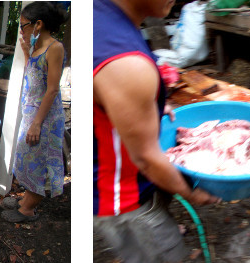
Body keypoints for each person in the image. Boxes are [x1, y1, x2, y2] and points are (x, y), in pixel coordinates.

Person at [93, 0, 222, 261]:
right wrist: (191, 193)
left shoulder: (100, 16)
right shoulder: (127, 63)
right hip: (123, 200)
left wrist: (139, 108)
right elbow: (147, 159)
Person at [0, 1, 69, 223]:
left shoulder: (54, 48)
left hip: (45, 118)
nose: (21, 30)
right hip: (33, 114)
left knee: (39, 161)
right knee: (28, 156)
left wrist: (37, 123)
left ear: (38, 24)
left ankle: (28, 210)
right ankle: (25, 199)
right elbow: (35, 74)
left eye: (23, 26)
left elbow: (51, 90)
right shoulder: (37, 46)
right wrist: (27, 53)